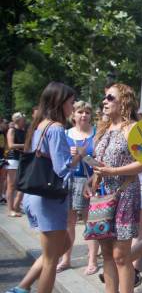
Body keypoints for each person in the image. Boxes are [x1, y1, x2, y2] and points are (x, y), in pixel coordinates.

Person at [1, 82, 77, 293]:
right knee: (51, 260)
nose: (73, 106)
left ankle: (20, 290)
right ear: (59, 102)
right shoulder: (56, 129)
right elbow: (62, 169)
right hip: (49, 199)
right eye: (70, 101)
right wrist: (78, 155)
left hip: (37, 197)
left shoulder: (39, 127)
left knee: (61, 247)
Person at [84, 83, 142, 293]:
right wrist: (92, 180)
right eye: (104, 96)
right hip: (103, 194)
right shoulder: (105, 128)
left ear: (125, 102)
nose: (104, 101)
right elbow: (100, 162)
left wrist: (114, 172)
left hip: (125, 194)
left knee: (122, 255)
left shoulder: (134, 129)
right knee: (106, 253)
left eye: (110, 97)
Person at [57, 100, 98, 274]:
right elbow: (59, 159)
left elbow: (101, 161)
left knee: (91, 222)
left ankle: (92, 260)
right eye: (80, 112)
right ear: (73, 115)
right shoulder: (65, 134)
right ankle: (66, 258)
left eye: (87, 112)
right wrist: (70, 155)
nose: (84, 115)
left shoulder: (96, 134)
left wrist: (86, 156)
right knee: (69, 222)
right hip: (69, 180)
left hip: (90, 181)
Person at [6, 112, 27, 217]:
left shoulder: (23, 131)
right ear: (18, 120)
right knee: (11, 185)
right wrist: (25, 145)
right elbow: (10, 145)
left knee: (21, 184)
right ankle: (10, 209)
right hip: (13, 159)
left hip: (22, 158)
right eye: (23, 119)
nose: (25, 121)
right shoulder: (12, 130)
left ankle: (17, 206)